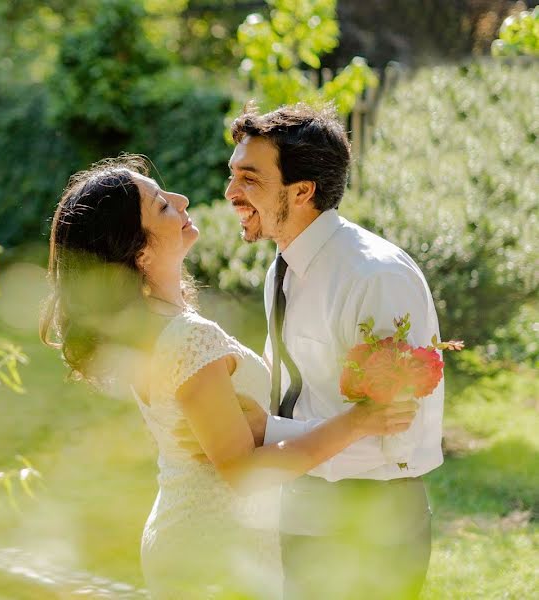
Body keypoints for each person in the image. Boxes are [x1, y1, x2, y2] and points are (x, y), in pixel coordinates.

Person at [40, 156, 417, 599]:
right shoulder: (186, 337)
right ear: (139, 252)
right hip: (216, 552)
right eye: (161, 206)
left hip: (197, 539)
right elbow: (242, 471)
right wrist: (359, 422)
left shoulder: (152, 327)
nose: (180, 200)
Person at [225, 103, 443, 599]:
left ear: (302, 191)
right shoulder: (281, 267)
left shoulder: (375, 277)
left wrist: (267, 432)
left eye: (249, 179)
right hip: (301, 513)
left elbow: (395, 437)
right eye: (233, 175)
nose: (231, 193)